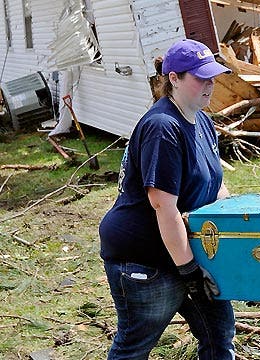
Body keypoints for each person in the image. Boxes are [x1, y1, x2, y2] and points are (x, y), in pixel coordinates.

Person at [99, 39, 235, 359]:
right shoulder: (163, 127)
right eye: (201, 77)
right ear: (174, 79)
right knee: (135, 346)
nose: (210, 85)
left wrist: (234, 235)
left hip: (189, 251)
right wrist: (188, 271)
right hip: (146, 257)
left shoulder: (202, 120)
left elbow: (215, 186)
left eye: (213, 77)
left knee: (219, 331)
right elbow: (164, 206)